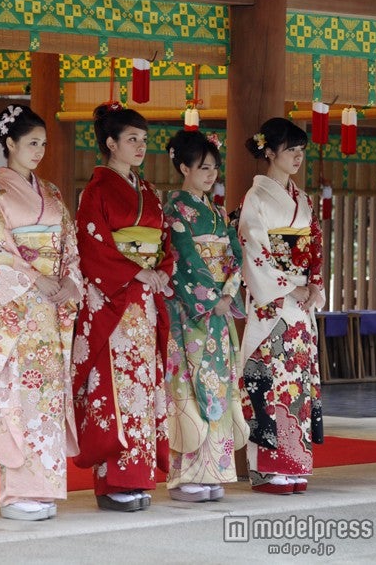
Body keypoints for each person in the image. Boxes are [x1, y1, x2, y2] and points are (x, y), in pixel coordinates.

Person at [0, 104, 83, 521]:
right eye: (32, 143)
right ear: (11, 144)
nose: (39, 151)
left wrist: (68, 281)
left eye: (43, 144)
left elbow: (68, 244)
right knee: (18, 393)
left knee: (46, 396)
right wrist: (35, 279)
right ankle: (16, 493)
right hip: (21, 307)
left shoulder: (52, 193)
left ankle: (43, 488)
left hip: (50, 308)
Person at [71, 102, 174, 512]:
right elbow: (92, 246)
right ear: (111, 143)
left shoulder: (148, 192)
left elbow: (164, 243)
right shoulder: (96, 191)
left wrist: (161, 270)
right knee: (114, 389)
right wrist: (137, 272)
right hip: (114, 303)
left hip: (143, 302)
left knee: (142, 389)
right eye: (132, 139)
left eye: (143, 139)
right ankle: (112, 481)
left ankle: (138, 477)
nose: (140, 146)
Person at [238, 117, 325, 495]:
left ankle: (295, 463)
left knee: (296, 383)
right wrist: (290, 288)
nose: (298, 157)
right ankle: (267, 468)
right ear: (270, 152)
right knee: (269, 381)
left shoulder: (303, 200)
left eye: (301, 150)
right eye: (291, 150)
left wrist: (314, 285)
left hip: (300, 305)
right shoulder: (255, 198)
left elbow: (314, 247)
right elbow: (253, 250)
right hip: (273, 304)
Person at [164, 129, 249, 502]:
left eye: (214, 168)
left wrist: (227, 293)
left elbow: (234, 254)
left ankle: (215, 471)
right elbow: (183, 255)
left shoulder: (216, 212)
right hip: (190, 313)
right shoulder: (175, 210)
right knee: (190, 385)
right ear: (184, 168)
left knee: (219, 385)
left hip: (218, 311)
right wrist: (210, 298)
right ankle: (186, 476)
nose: (211, 174)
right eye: (203, 167)